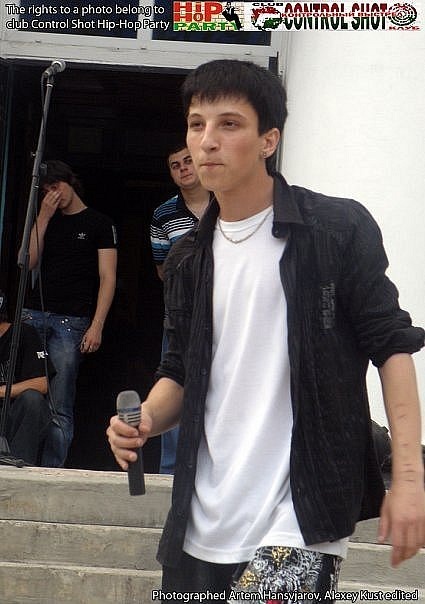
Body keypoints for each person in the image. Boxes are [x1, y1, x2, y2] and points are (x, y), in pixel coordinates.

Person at [107, 60, 425, 601]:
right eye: (196, 124)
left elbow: (392, 345)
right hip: (202, 520)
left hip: (300, 514)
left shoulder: (335, 229)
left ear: (268, 140)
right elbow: (179, 371)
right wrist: (146, 420)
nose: (206, 141)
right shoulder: (187, 258)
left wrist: (411, 479)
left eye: (229, 124)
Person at [24, 160, 117, 468]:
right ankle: (20, 458)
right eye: (46, 190)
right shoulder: (46, 219)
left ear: (70, 181)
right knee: (24, 389)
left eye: (57, 187)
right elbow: (27, 261)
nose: (54, 194)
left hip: (71, 321)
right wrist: (43, 216)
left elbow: (108, 277)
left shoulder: (99, 223)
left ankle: (52, 470)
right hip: (34, 314)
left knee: (59, 400)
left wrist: (97, 325)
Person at [150, 144, 211, 474]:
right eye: (176, 165)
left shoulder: (228, 201)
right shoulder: (163, 214)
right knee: (174, 386)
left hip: (226, 314)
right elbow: (163, 269)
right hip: (181, 317)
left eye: (188, 161)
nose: (184, 168)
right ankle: (171, 474)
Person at [0, 290, 52, 465]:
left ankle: (20, 467)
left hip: (15, 416)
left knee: (32, 399)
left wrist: (1, 391)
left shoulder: (24, 333)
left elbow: (41, 384)